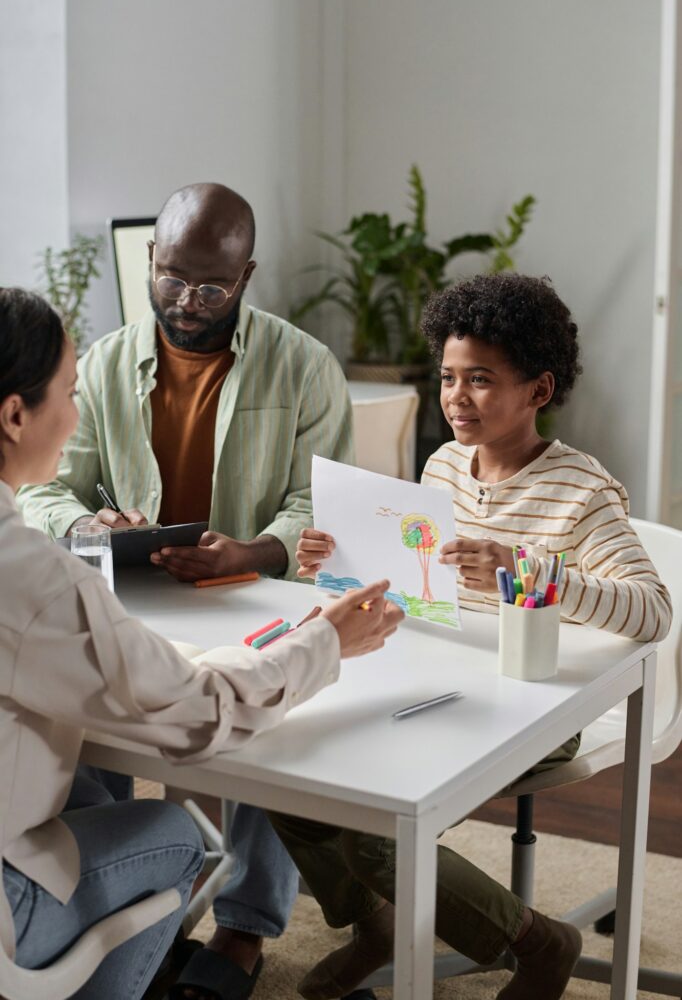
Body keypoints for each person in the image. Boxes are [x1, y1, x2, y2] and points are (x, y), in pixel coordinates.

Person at [271, 273, 673, 1000]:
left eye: (481, 380)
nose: (456, 397)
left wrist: (524, 571)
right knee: (286, 776)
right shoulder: (443, 464)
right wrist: (336, 566)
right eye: (449, 377)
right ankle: (378, 924)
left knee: (377, 833)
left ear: (539, 391)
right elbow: (418, 585)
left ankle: (536, 943)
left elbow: (652, 612)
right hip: (435, 680)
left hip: (535, 702)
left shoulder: (582, 492)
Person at [0, 287, 403, 1000]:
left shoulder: (302, 366)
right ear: (13, 415)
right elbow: (198, 717)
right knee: (177, 836)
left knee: (89, 786)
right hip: (7, 903)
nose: (73, 417)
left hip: (201, 617)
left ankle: (218, 937)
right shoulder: (29, 576)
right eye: (67, 393)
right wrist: (324, 643)